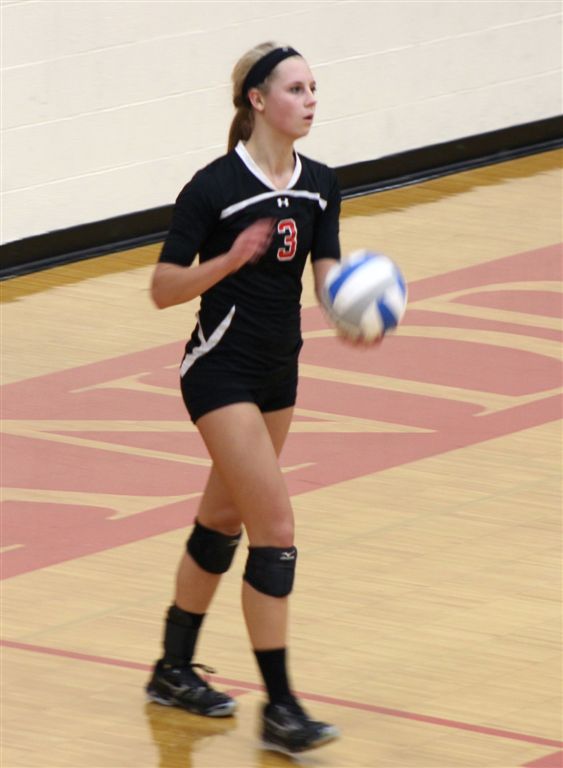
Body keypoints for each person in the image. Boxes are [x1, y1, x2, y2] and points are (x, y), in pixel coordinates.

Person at [146, 41, 345, 754]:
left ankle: (172, 669)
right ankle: (281, 708)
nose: (310, 100)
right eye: (296, 89)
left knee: (222, 520)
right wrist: (228, 259)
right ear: (257, 100)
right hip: (219, 370)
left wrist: (353, 309)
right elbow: (163, 288)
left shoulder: (321, 184)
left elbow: (326, 276)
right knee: (276, 531)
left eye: (313, 88)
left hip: (278, 372)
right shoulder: (213, 188)